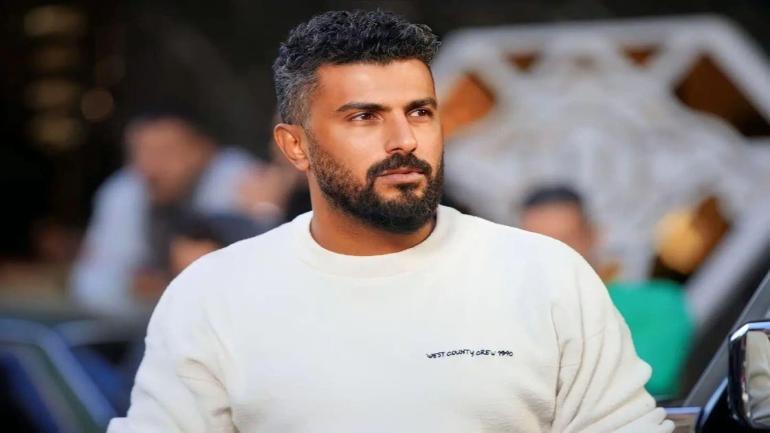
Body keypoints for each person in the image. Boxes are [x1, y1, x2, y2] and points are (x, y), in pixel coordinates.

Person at [108, 10, 673, 433]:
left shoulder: (546, 274)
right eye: (364, 116)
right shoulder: (214, 294)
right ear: (295, 146)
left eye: (420, 112)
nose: (404, 139)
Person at [70, 106, 258, 317]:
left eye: (164, 153)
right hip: (145, 324)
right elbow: (90, 284)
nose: (150, 168)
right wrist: (133, 287)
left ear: (202, 150)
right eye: (139, 153)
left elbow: (254, 283)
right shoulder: (124, 190)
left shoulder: (242, 181)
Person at [519, 184, 694, 398]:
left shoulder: (658, 302)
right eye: (536, 243)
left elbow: (647, 378)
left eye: (567, 240)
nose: (552, 254)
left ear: (594, 235)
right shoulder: (508, 314)